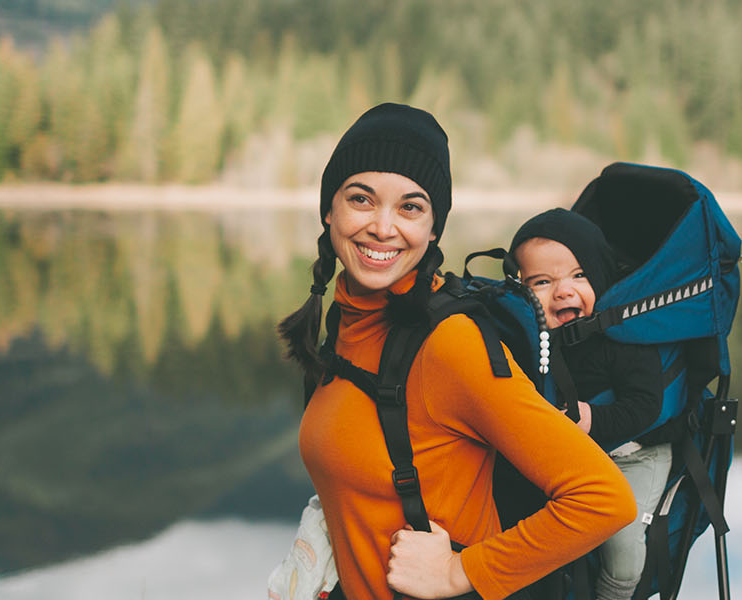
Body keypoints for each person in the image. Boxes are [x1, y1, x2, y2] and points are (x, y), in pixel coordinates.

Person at [280, 103, 635, 600]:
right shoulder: (344, 322)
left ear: (433, 229)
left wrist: (458, 572)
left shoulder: (451, 343)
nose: (383, 227)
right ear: (329, 209)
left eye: (410, 207)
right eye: (361, 199)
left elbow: (603, 498)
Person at [508, 208, 677, 600]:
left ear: (601, 277)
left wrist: (591, 417)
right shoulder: (531, 340)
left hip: (636, 453)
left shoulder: (623, 336)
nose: (563, 290)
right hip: (574, 457)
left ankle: (614, 593)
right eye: (542, 282)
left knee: (621, 545)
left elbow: (646, 407)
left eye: (579, 276)